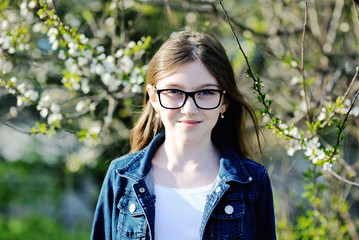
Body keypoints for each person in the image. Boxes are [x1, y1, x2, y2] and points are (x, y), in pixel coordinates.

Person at [91, 30, 276, 240]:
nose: (189, 109)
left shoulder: (252, 182)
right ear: (154, 97)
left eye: (206, 92)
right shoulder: (121, 177)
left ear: (224, 101)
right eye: (174, 92)